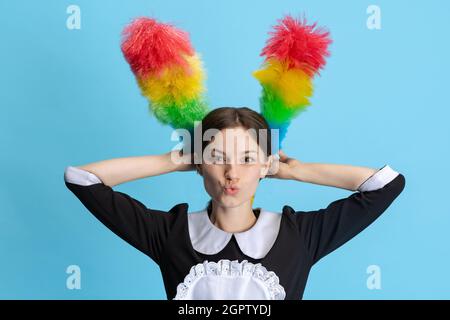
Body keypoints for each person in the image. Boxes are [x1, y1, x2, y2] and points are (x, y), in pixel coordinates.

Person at [64, 107, 406, 300]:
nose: (231, 173)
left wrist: (297, 170)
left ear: (264, 165)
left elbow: (386, 184)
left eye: (247, 158)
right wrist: (172, 160)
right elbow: (81, 178)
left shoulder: (299, 236)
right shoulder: (171, 233)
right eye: (217, 158)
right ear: (199, 163)